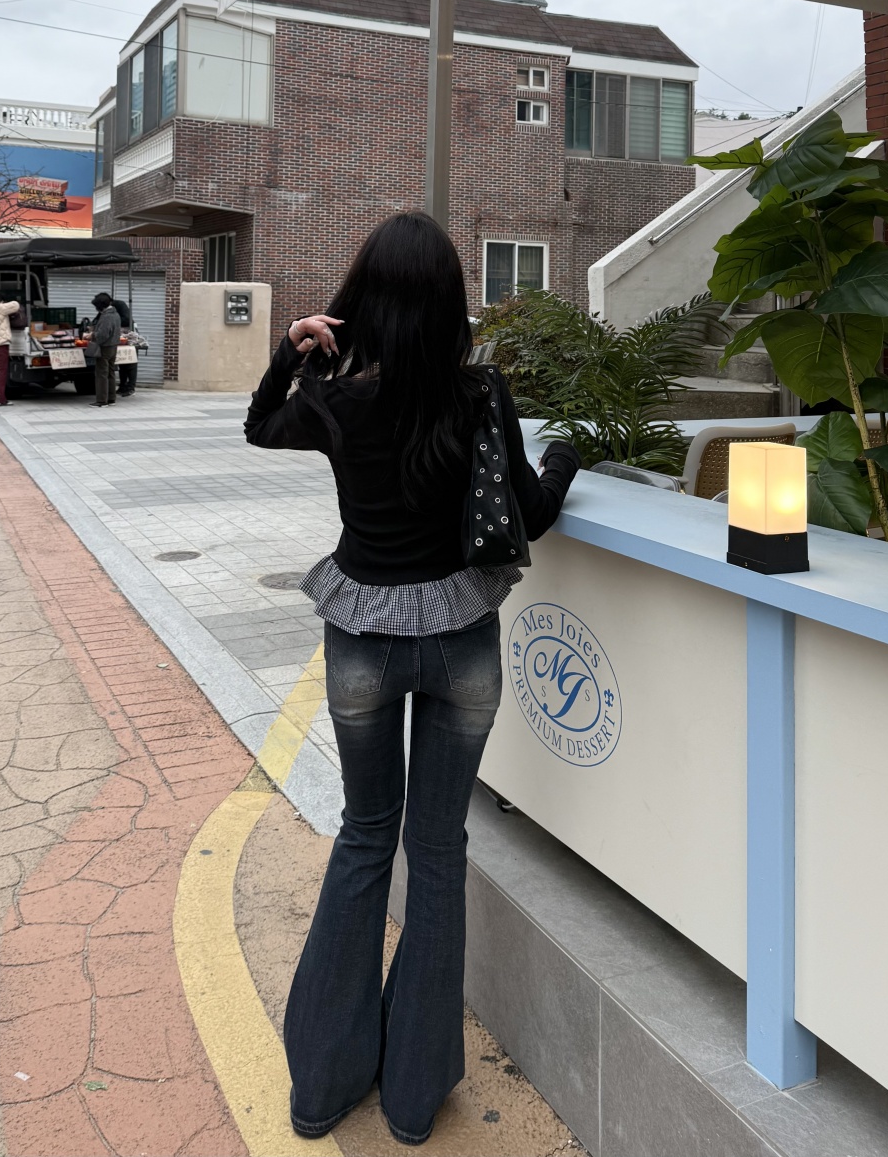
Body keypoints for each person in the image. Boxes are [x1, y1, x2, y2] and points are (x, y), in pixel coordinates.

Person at [244, 212, 580, 1146]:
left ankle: (322, 1086)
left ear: (363, 303)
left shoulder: (337, 400)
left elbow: (259, 426)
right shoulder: (480, 393)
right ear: (448, 303)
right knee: (437, 852)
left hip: (362, 641)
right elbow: (531, 515)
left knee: (365, 837)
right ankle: (412, 1098)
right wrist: (566, 458)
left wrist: (292, 352)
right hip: (462, 640)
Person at [87, 292, 121, 407]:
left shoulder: (106, 316)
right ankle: (111, 398)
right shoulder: (115, 314)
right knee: (111, 372)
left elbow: (103, 335)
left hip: (105, 347)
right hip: (113, 346)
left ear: (100, 306)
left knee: (101, 374)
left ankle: (101, 400)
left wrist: (92, 335)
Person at [112, 298, 137, 397]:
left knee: (130, 364)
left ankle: (130, 387)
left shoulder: (119, 305)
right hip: (121, 338)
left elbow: (127, 320)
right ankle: (122, 386)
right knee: (122, 364)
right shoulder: (112, 307)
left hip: (129, 338)